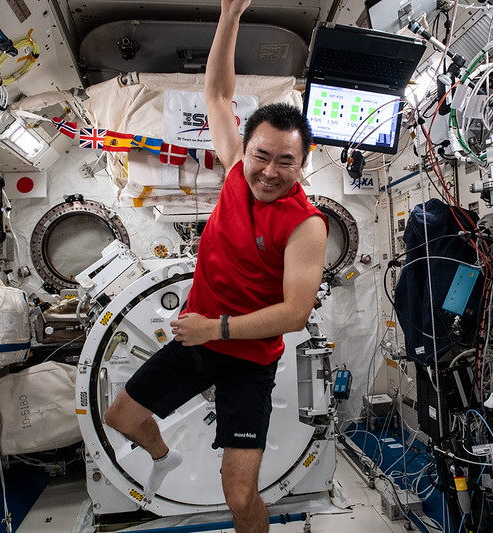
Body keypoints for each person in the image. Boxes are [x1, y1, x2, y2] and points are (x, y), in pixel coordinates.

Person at [103, 0, 328, 531]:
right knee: (122, 417)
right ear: (243, 148)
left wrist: (215, 328)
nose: (270, 172)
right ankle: (164, 458)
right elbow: (218, 94)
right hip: (197, 342)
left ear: (304, 162)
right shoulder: (232, 173)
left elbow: (295, 314)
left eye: (286, 161)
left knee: (239, 494)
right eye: (261, 156)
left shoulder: (306, 224)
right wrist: (231, 14)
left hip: (247, 360)